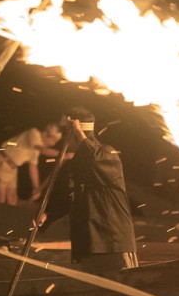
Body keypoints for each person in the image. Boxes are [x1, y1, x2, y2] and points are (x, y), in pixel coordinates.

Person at [48, 108, 138, 275]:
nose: (61, 139)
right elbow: (70, 196)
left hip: (112, 243)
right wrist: (47, 215)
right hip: (88, 243)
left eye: (65, 133)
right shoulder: (75, 163)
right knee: (96, 295)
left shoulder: (106, 154)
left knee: (123, 293)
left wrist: (80, 136)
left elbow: (95, 161)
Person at [0, 123, 63, 205]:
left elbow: (33, 167)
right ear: (47, 134)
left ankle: (7, 215)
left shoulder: (36, 150)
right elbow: (44, 151)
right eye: (54, 140)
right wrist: (64, 154)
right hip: (1, 162)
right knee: (1, 197)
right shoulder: (33, 133)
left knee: (12, 199)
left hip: (12, 168)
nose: (53, 144)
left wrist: (36, 187)